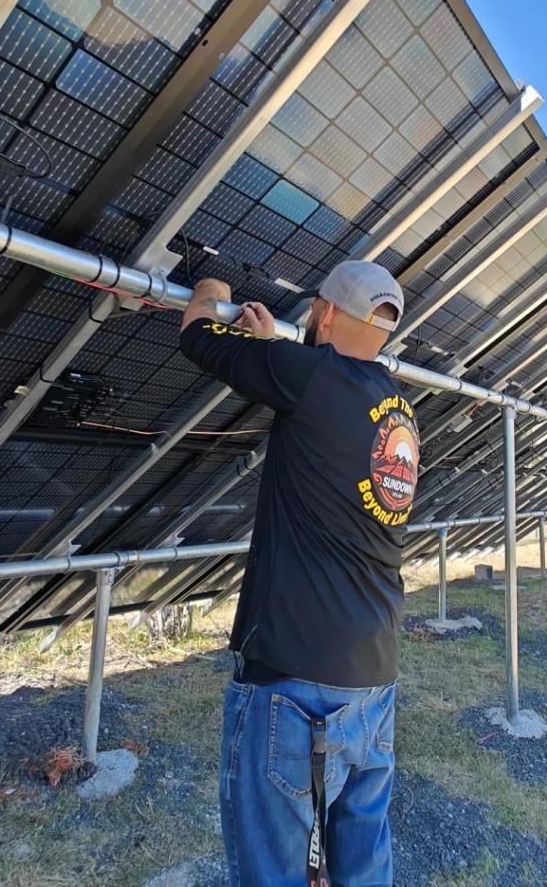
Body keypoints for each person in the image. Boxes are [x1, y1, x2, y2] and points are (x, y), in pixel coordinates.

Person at [179, 260, 420, 887]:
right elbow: (322, 400)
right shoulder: (400, 412)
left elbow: (197, 337)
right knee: (362, 864)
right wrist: (277, 353)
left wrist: (211, 294)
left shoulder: (311, 376)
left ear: (327, 311)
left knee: (274, 871)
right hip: (374, 678)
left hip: (295, 681)